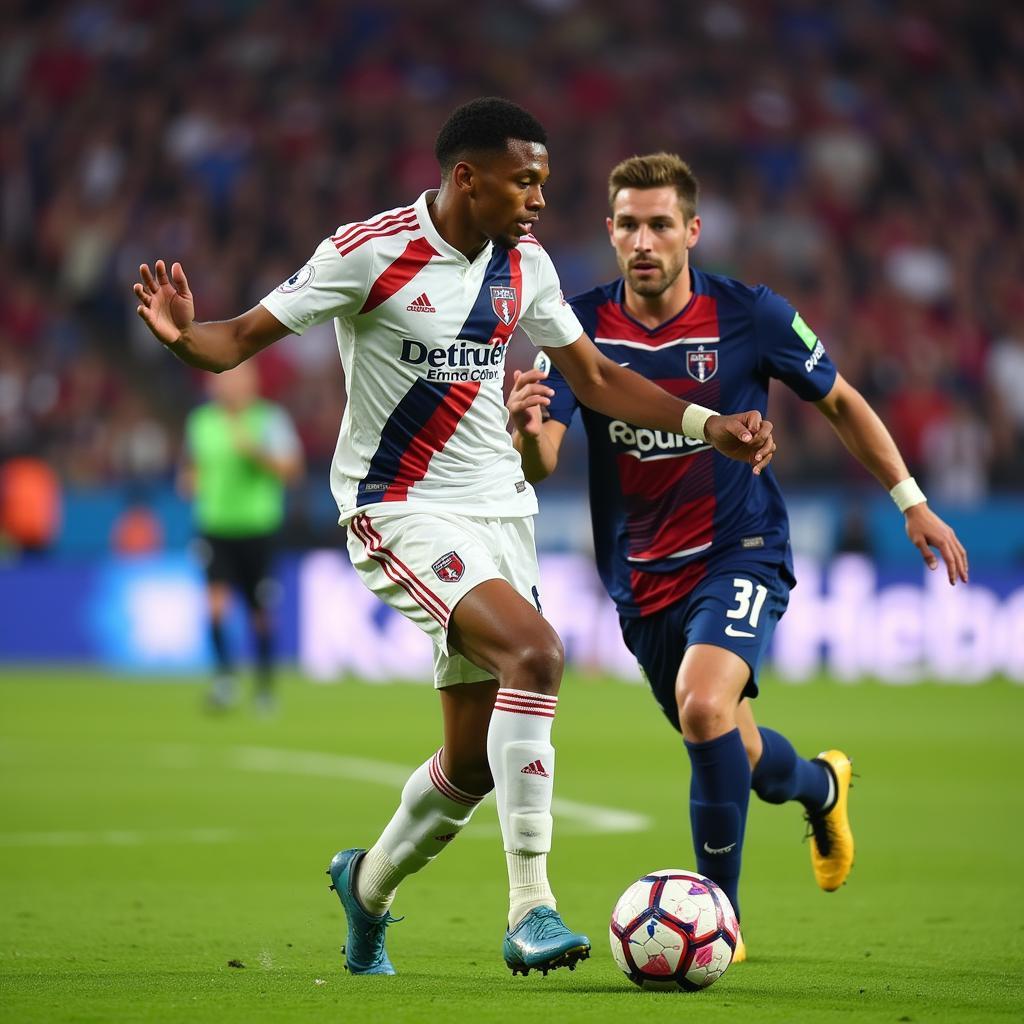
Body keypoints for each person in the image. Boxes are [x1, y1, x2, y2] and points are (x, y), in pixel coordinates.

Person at [133, 99, 775, 978]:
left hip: (500, 513)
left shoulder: (527, 266)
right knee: (538, 655)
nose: (540, 198)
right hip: (397, 507)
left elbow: (593, 377)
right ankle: (532, 909)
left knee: (471, 765)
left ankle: (365, 887)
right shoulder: (369, 251)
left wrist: (707, 423)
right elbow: (234, 339)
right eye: (525, 180)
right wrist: (181, 341)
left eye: (543, 181)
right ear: (467, 178)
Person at [508, 152, 968, 962]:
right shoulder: (575, 329)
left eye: (659, 224)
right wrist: (522, 429)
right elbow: (543, 461)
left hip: (740, 548)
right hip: (641, 579)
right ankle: (822, 786)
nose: (642, 241)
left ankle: (718, 917)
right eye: (627, 225)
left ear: (692, 230)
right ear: (608, 232)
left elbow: (839, 400)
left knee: (702, 706)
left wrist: (912, 501)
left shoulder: (749, 314)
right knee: (742, 750)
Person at [179, 361, 303, 711]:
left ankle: (264, 687)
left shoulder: (269, 419)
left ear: (251, 383)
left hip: (257, 527)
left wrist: (256, 453)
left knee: (260, 611)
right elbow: (191, 466)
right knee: (216, 606)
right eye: (219, 380)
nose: (225, 386)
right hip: (214, 527)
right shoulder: (201, 422)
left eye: (233, 379)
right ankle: (225, 679)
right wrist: (188, 480)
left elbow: (292, 470)